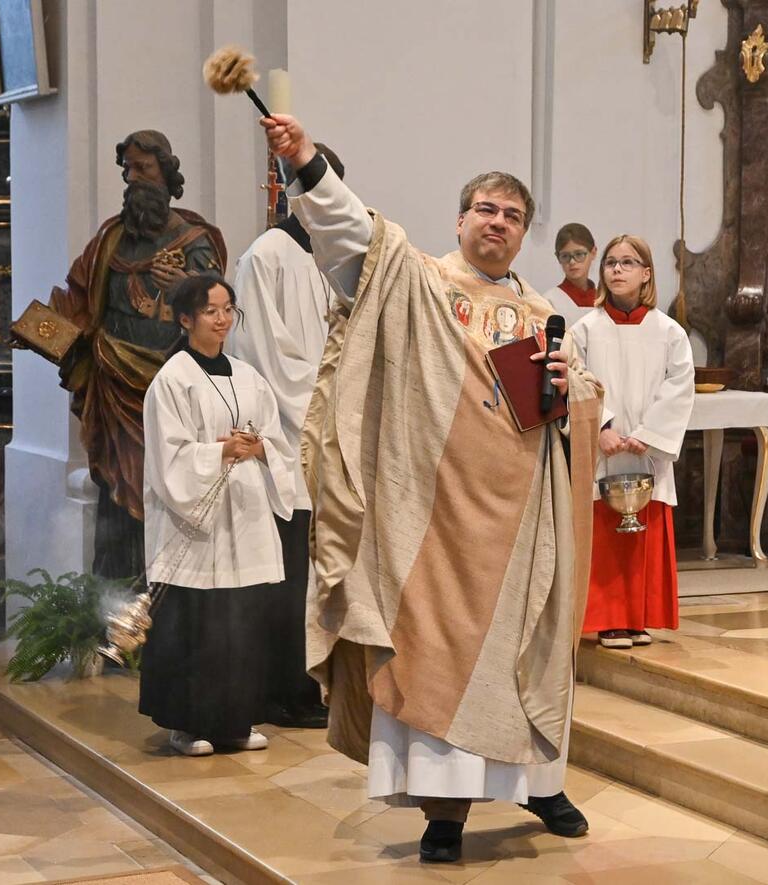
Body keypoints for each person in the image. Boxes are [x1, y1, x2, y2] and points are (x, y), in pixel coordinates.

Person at [262, 113, 603, 864]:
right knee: (430, 659)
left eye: (514, 216)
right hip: (433, 520)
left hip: (519, 531)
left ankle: (540, 784)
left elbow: (578, 407)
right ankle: (442, 813)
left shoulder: (549, 316)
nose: (500, 223)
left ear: (524, 235)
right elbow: (353, 236)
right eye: (488, 209)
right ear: (460, 218)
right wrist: (306, 160)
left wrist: (567, 393)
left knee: (529, 651)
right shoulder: (418, 283)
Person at [45, 130, 227, 580]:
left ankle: (163, 598)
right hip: (113, 382)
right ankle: (111, 606)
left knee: (164, 485)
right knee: (115, 488)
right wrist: (41, 330)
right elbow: (80, 297)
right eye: (127, 169)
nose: (132, 178)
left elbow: (215, 310)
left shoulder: (193, 239)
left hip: (169, 386)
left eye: (142, 168)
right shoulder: (111, 237)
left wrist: (181, 286)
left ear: (165, 171)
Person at [139, 275, 294, 757]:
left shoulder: (249, 377)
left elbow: (279, 441)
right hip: (196, 523)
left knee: (242, 622)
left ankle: (234, 723)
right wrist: (220, 450)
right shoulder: (173, 379)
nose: (223, 318)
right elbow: (169, 457)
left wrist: (261, 448)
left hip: (244, 517)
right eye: (211, 310)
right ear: (186, 319)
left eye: (229, 309)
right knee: (196, 622)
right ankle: (186, 725)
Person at [227, 143, 346, 730]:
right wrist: (323, 403)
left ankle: (318, 684)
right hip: (289, 438)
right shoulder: (265, 256)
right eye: (312, 189)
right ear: (289, 194)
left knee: (323, 567)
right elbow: (261, 356)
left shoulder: (334, 260)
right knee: (288, 573)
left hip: (332, 433)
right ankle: (284, 691)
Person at [569, 235, 695, 650]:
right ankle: (607, 619)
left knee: (643, 526)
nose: (617, 270)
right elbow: (574, 379)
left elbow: (679, 387)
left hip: (645, 452)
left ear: (646, 274)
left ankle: (637, 617)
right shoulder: (585, 329)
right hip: (602, 451)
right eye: (609, 263)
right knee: (604, 533)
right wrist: (600, 427)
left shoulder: (669, 332)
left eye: (627, 263)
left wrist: (648, 434)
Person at [544, 223, 598, 328]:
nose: (572, 262)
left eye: (579, 254)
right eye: (565, 256)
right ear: (557, 257)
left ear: (593, 252)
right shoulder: (549, 301)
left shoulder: (604, 300)